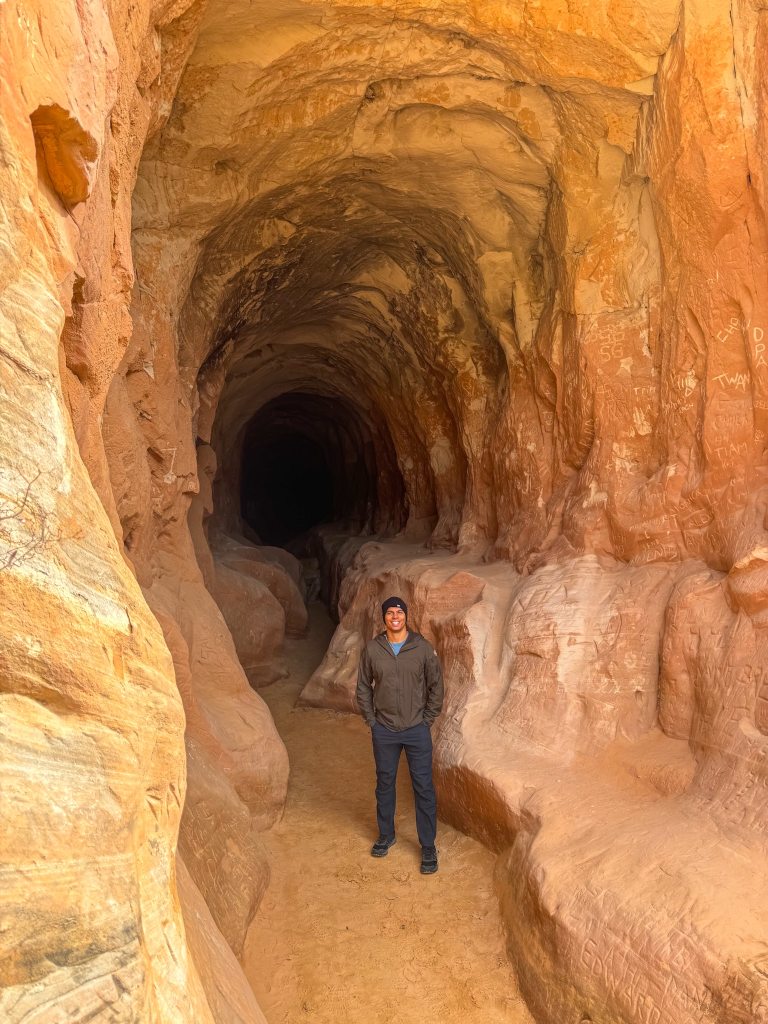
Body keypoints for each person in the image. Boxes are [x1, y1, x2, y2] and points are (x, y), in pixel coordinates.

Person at [355, 596, 444, 874]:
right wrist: (372, 721)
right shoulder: (373, 649)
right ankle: (386, 834)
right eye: (390, 612)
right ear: (383, 618)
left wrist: (427, 719)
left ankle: (427, 846)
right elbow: (363, 686)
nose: (395, 616)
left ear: (406, 616)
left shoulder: (421, 648)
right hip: (385, 729)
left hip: (416, 729)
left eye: (399, 612)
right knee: (385, 783)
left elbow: (436, 685)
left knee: (423, 787)